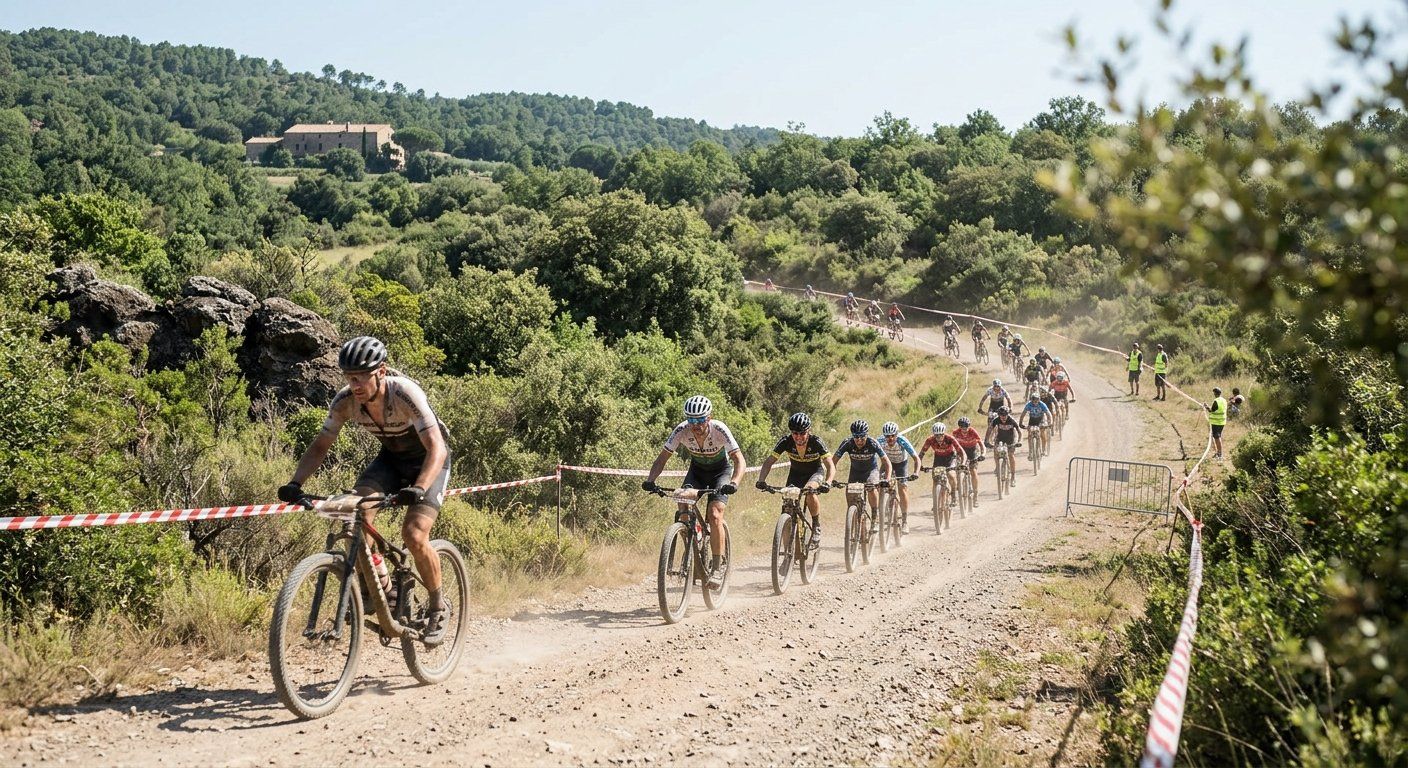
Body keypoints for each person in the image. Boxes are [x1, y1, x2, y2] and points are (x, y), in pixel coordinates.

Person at [278, 336, 454, 645]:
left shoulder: (405, 394)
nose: (355, 383)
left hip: (429, 462)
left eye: (361, 375)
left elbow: (436, 447)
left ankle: (438, 606)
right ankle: (384, 588)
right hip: (391, 461)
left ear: (381, 371)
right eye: (349, 376)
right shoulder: (345, 402)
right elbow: (320, 446)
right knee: (355, 511)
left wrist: (420, 487)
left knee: (414, 534)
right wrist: (296, 483)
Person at [643, 395, 746, 589]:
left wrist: (734, 483)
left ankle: (717, 567)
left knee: (715, 514)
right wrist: (651, 480)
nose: (695, 424)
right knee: (682, 504)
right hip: (697, 472)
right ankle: (693, 539)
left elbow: (739, 460)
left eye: (700, 420)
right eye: (691, 419)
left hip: (720, 473)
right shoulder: (681, 430)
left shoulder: (720, 429)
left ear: (709, 417)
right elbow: (662, 458)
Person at [756, 412, 833, 548]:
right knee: (787, 509)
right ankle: (789, 553)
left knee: (810, 492)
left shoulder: (816, 442)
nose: (798, 437)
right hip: (795, 474)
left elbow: (829, 464)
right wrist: (761, 480)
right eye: (795, 433)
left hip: (814, 473)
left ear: (808, 431)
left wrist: (828, 482)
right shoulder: (786, 441)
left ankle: (816, 525)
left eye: (802, 433)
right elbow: (769, 461)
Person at [833, 420, 892, 532]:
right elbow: (833, 462)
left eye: (862, 437)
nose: (859, 440)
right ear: (852, 436)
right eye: (856, 437)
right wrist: (830, 479)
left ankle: (875, 516)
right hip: (855, 472)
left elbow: (887, 463)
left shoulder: (873, 443)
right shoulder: (848, 443)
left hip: (871, 471)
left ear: (867, 434)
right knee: (850, 495)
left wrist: (887, 479)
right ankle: (854, 517)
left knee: (871, 486)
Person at [917, 422, 965, 528]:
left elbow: (961, 452)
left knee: (951, 475)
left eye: (940, 435)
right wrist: (919, 465)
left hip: (950, 458)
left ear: (944, 433)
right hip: (938, 458)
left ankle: (953, 495)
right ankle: (936, 500)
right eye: (936, 435)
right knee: (935, 479)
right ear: (934, 434)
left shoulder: (950, 439)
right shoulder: (930, 440)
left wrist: (962, 463)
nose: (938, 438)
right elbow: (921, 454)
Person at [878, 421, 919, 532]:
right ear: (884, 436)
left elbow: (916, 458)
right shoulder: (880, 441)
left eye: (893, 436)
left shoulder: (902, 440)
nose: (890, 439)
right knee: (877, 484)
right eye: (887, 436)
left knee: (902, 488)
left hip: (901, 464)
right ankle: (880, 513)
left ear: (897, 434)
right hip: (887, 464)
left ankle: (905, 521)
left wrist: (916, 472)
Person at [951, 416, 985, 507]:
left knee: (973, 471)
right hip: (961, 452)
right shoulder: (955, 433)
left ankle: (975, 495)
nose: (964, 429)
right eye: (962, 427)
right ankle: (958, 488)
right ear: (959, 427)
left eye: (966, 427)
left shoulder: (972, 432)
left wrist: (983, 454)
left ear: (969, 426)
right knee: (956, 468)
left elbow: (981, 444)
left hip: (972, 451)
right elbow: (951, 445)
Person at [983, 407, 1022, 487]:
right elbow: (989, 429)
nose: (1003, 417)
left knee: (1011, 455)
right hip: (1000, 439)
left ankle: (1013, 477)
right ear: (999, 415)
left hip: (1010, 440)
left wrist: (1019, 441)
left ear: (1008, 414)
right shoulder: (996, 420)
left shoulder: (1012, 420)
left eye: (1005, 415)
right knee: (996, 451)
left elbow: (1019, 431)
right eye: (1001, 415)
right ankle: (998, 467)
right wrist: (986, 440)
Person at [1019, 392, 1052, 459]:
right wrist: (1020, 423)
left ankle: (1043, 449)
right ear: (1031, 400)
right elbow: (1023, 414)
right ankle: (1031, 452)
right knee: (1029, 435)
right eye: (1034, 400)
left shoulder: (1042, 404)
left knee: (1042, 433)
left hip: (1041, 419)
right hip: (1032, 420)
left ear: (1039, 399)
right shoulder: (1028, 404)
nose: (1035, 401)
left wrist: (1050, 422)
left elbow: (1048, 414)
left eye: (1037, 400)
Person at [1205, 387, 1228, 460]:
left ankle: (1220, 454)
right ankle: (1218, 453)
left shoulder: (1216, 401)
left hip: (1216, 422)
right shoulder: (1224, 400)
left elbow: (1212, 411)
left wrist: (1206, 407)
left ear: (1215, 393)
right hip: (1222, 421)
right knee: (1217, 437)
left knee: (1217, 437)